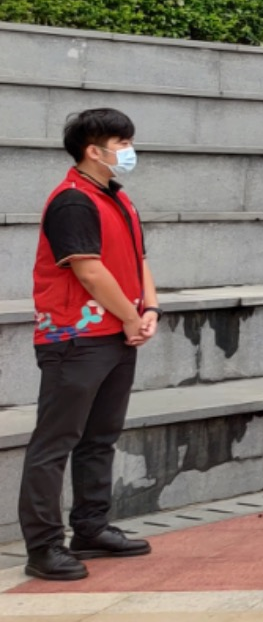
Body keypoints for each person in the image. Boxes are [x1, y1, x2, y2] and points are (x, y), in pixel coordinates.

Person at [22, 108, 158, 581]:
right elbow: (89, 270)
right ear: (92, 151)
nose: (129, 150)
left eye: (128, 140)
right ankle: (42, 547)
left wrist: (150, 311)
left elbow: (140, 260)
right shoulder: (73, 202)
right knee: (54, 443)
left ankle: (90, 527)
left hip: (117, 333)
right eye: (120, 142)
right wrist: (130, 316)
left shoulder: (118, 198)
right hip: (75, 339)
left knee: (100, 438)